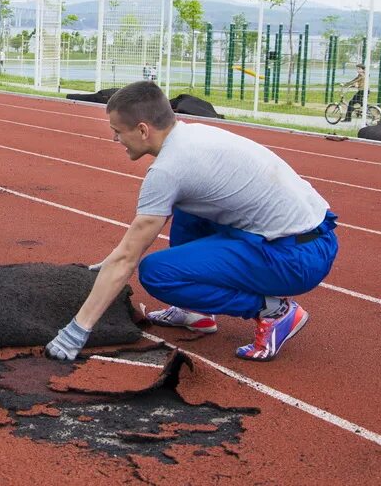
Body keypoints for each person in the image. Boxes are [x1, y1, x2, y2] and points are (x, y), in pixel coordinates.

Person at [46, 81, 338, 362]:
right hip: (312, 236)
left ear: (143, 129)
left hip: (296, 258)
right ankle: (195, 311)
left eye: (118, 131)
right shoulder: (192, 134)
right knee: (187, 207)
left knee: (156, 273)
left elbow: (127, 259)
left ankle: (275, 311)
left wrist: (76, 331)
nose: (115, 139)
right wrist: (109, 260)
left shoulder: (168, 170)